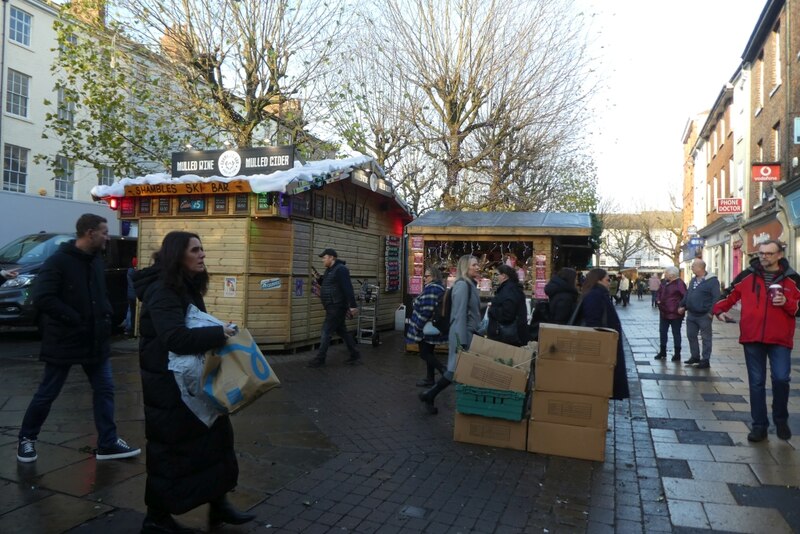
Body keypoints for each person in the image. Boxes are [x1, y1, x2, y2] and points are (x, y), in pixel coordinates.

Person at [135, 231, 254, 533]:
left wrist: (216, 329)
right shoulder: (162, 291)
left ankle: (219, 505)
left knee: (215, 440)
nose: (202, 255)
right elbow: (174, 337)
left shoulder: (184, 286)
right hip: (170, 389)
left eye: (202, 249)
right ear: (178, 254)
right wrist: (218, 334)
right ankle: (157, 519)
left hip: (190, 383)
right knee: (171, 453)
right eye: (195, 250)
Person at [16, 214, 140, 464]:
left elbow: (99, 294)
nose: (108, 237)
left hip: (95, 340)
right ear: (90, 232)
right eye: (104, 232)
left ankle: (107, 442)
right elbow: (43, 297)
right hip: (65, 340)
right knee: (48, 392)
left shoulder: (95, 260)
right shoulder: (57, 262)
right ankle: (26, 439)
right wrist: (74, 318)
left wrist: (104, 316)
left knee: (105, 390)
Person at [713, 240, 800, 442]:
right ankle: (759, 425)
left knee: (781, 379)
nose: (764, 257)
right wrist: (719, 310)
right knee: (756, 383)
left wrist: (788, 303)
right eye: (761, 253)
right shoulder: (747, 275)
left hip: (779, 338)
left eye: (769, 253)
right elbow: (729, 294)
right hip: (752, 337)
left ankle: (780, 418)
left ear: (779, 255)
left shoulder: (793, 279)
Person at [419, 255, 481, 414]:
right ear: (466, 267)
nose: (477, 267)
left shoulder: (471, 285)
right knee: (455, 370)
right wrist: (461, 342)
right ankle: (433, 396)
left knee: (455, 370)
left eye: (477, 265)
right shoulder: (462, 286)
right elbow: (459, 315)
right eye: (474, 265)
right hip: (461, 334)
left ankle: (430, 395)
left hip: (467, 333)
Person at [576, 268, 630, 400]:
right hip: (604, 342)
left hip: (607, 339)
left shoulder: (598, 293)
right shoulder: (595, 295)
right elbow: (593, 322)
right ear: (599, 280)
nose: (609, 281)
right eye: (607, 279)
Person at [307, 248, 361, 368]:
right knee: (342, 331)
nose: (323, 260)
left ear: (332, 257)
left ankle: (320, 358)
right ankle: (355, 354)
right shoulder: (329, 270)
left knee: (326, 331)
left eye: (324, 257)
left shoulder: (341, 269)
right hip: (331, 305)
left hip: (337, 306)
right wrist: (318, 278)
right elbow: (327, 284)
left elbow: (348, 287)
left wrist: (353, 305)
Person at [405, 266, 448, 387]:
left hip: (425, 328)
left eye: (427, 276)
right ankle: (430, 379)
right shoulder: (439, 288)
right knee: (429, 352)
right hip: (432, 326)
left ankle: (443, 370)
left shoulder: (432, 289)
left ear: (434, 276)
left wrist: (418, 326)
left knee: (424, 353)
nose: (424, 278)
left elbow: (427, 310)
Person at [678, 259, 720, 369]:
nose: (691, 268)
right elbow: (688, 294)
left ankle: (705, 360)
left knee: (706, 338)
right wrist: (682, 305)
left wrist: (711, 312)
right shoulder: (693, 280)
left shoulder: (712, 281)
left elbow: (716, 297)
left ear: (700, 268)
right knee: (691, 335)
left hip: (704, 315)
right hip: (691, 314)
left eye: (693, 266)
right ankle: (695, 356)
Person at [487, 264, 529, 346]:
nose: (496, 277)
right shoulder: (513, 288)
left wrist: (492, 309)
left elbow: (507, 314)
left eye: (497, 274)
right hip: (513, 335)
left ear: (504, 276)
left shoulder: (508, 290)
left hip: (506, 337)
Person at [654, 266, 686, 362]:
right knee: (662, 332)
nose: (665, 274)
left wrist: (683, 307)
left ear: (672, 275)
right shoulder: (664, 282)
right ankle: (662, 351)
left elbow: (685, 296)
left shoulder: (680, 283)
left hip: (675, 313)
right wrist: (658, 300)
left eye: (666, 273)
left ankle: (677, 354)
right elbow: (658, 292)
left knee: (676, 333)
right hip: (664, 312)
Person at [123, 256, 138, 336]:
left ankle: (128, 327)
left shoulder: (129, 271)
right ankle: (131, 329)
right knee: (133, 313)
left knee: (130, 311)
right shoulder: (134, 272)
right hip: (134, 295)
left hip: (130, 294)